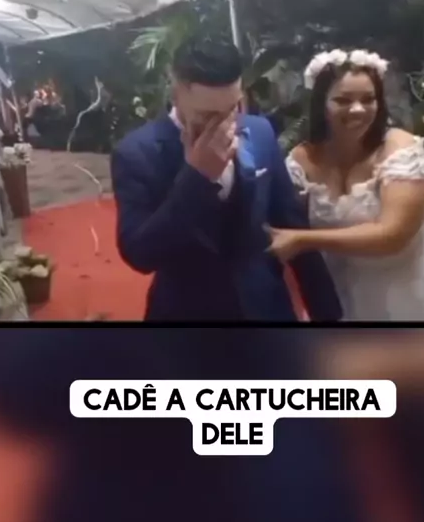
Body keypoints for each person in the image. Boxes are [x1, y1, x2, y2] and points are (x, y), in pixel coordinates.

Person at [111, 36, 340, 321]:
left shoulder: (259, 131)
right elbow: (140, 255)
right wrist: (196, 178)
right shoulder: (138, 152)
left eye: (233, 108)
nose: (225, 124)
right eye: (207, 115)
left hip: (267, 309)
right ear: (177, 90)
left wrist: (328, 313)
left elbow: (292, 223)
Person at [267, 48, 424, 321]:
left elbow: (394, 234)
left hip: (409, 286)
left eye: (368, 99)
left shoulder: (399, 148)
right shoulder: (302, 159)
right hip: (342, 290)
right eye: (343, 100)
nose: (357, 109)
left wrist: (303, 240)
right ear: (321, 103)